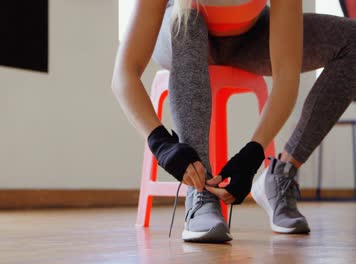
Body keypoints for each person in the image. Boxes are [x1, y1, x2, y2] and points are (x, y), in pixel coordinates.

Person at [112, 0, 356, 243]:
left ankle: (282, 173)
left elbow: (286, 79)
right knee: (188, 22)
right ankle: (201, 190)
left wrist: (253, 153)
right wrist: (161, 143)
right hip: (178, 37)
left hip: (247, 39)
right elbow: (124, 74)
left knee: (353, 40)